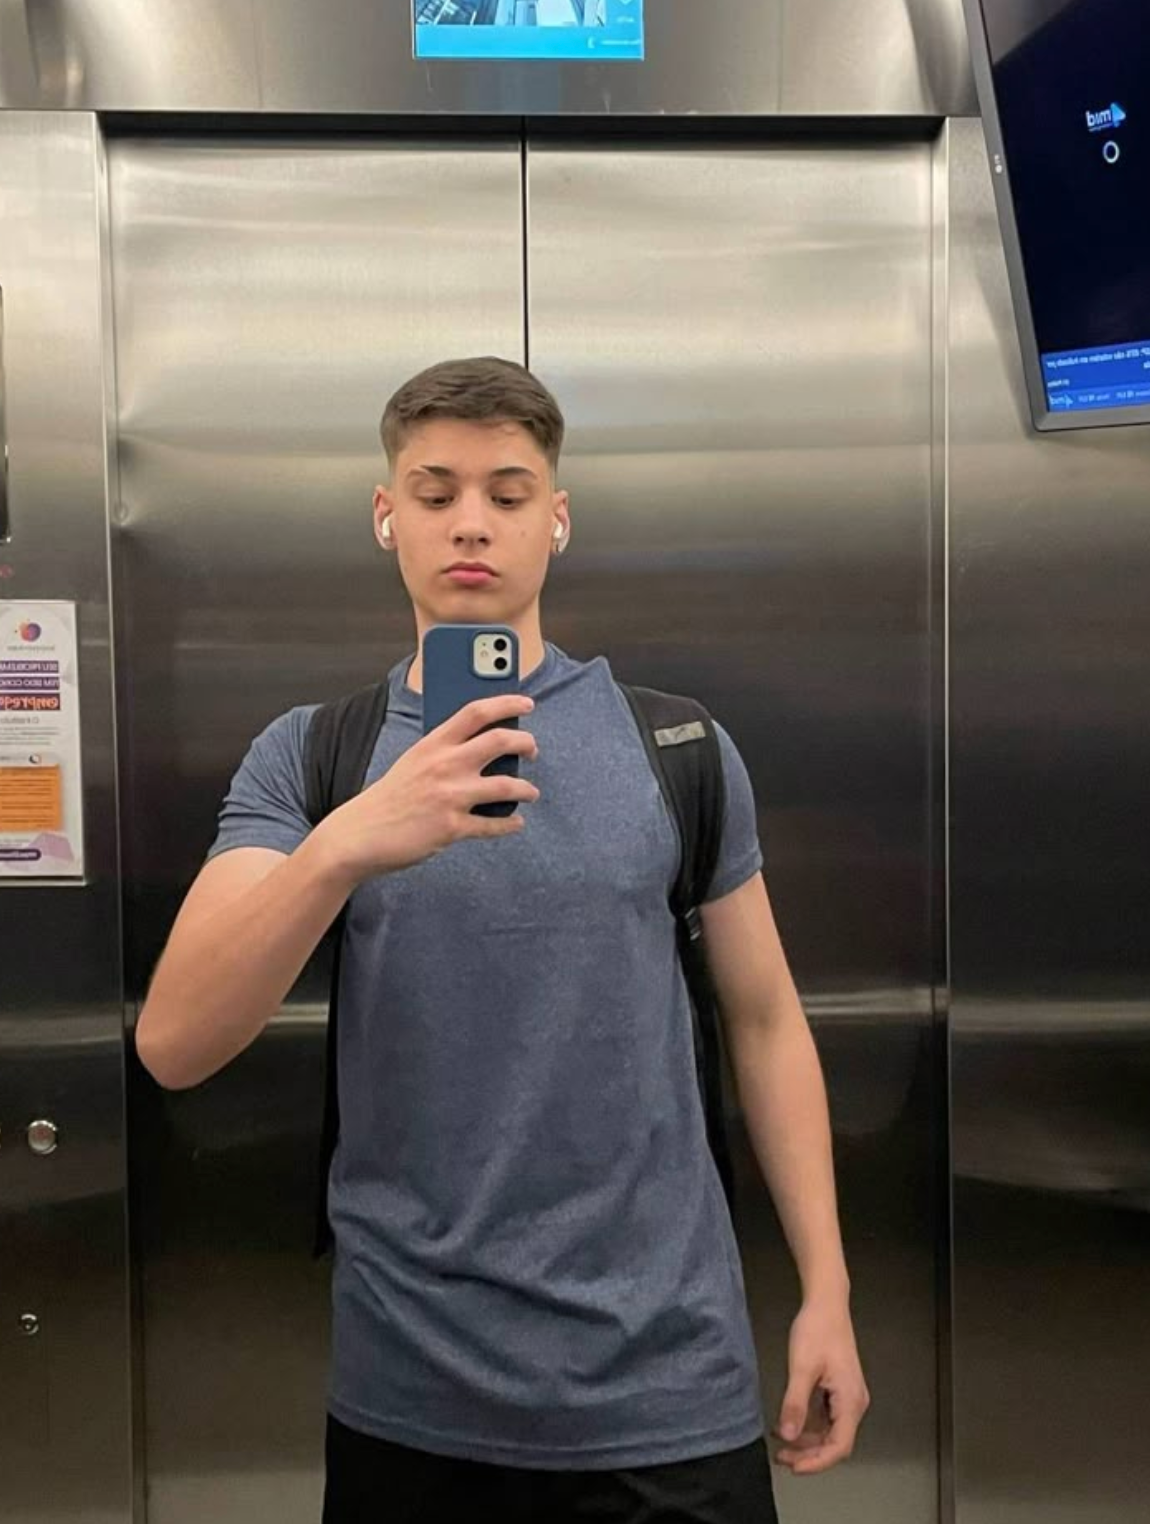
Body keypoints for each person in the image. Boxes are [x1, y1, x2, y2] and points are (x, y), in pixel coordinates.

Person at [136, 356, 869, 1523]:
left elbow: (766, 1020)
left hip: (667, 1384)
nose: (469, 522)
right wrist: (343, 845)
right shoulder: (312, 757)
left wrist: (827, 1290)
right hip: (412, 1392)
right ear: (386, 516)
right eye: (434, 493)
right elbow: (175, 1044)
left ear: (556, 519)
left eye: (508, 493)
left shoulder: (679, 748)